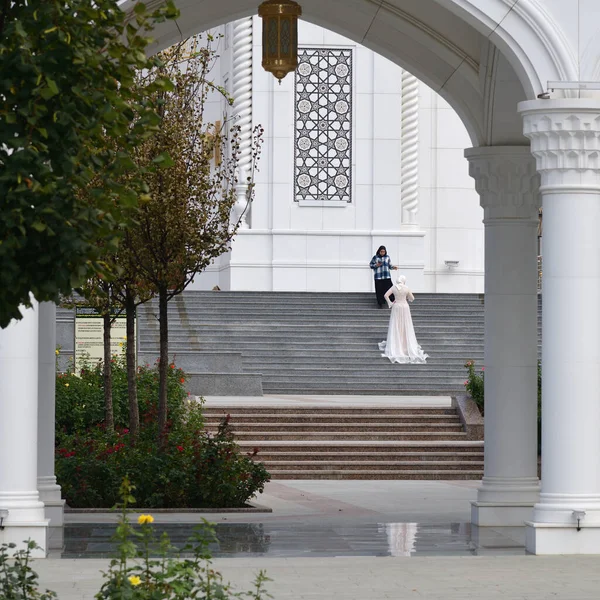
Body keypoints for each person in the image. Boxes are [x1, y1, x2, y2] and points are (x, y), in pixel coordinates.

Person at [379, 274, 428, 364]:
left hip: (396, 306)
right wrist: (406, 298)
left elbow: (386, 295)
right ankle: (405, 343)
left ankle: (396, 343)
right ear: (404, 280)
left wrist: (390, 303)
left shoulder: (393, 287)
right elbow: (412, 298)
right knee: (405, 324)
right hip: (404, 307)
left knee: (396, 324)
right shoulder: (406, 288)